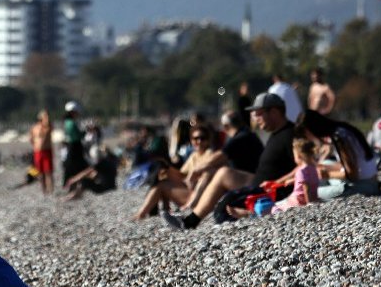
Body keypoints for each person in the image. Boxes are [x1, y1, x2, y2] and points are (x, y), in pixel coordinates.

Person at [163, 92, 298, 229]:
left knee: (224, 209)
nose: (255, 118)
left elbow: (303, 165)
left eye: (259, 113)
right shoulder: (275, 134)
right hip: (258, 183)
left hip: (272, 191)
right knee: (223, 174)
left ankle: (192, 221)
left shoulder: (290, 135)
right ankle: (190, 220)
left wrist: (280, 182)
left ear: (274, 112)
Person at [130, 122, 218, 220]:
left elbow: (205, 178)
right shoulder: (195, 155)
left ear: (208, 140)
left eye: (202, 138)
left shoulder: (211, 155)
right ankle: (155, 211)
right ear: (191, 140)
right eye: (195, 139)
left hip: (201, 197)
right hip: (190, 191)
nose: (199, 141)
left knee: (161, 184)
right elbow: (182, 174)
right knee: (161, 177)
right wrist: (166, 167)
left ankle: (144, 214)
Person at [228, 138, 320, 218]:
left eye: (294, 155)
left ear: (299, 156)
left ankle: (247, 213)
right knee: (277, 205)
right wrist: (294, 180)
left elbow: (306, 187)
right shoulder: (313, 168)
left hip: (298, 200)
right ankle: (247, 213)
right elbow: (308, 181)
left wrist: (309, 204)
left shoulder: (301, 171)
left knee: (272, 207)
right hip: (310, 197)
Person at [300, 110, 380, 199]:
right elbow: (349, 164)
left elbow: (353, 174)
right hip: (371, 180)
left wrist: (327, 174)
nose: (308, 139)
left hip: (364, 186)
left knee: (310, 193)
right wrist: (321, 167)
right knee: (325, 164)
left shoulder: (339, 137)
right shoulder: (342, 130)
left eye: (306, 135)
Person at [61, 101, 89, 189]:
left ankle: (71, 184)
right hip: (75, 146)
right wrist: (85, 132)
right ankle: (78, 183)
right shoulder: (71, 123)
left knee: (71, 165)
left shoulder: (67, 122)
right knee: (78, 165)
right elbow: (77, 135)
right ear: (73, 112)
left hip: (71, 145)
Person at [29, 111, 54, 195]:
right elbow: (31, 139)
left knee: (48, 172)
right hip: (37, 152)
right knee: (40, 172)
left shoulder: (47, 127)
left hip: (46, 151)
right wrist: (35, 146)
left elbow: (48, 125)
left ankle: (51, 190)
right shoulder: (34, 128)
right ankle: (44, 190)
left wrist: (46, 116)